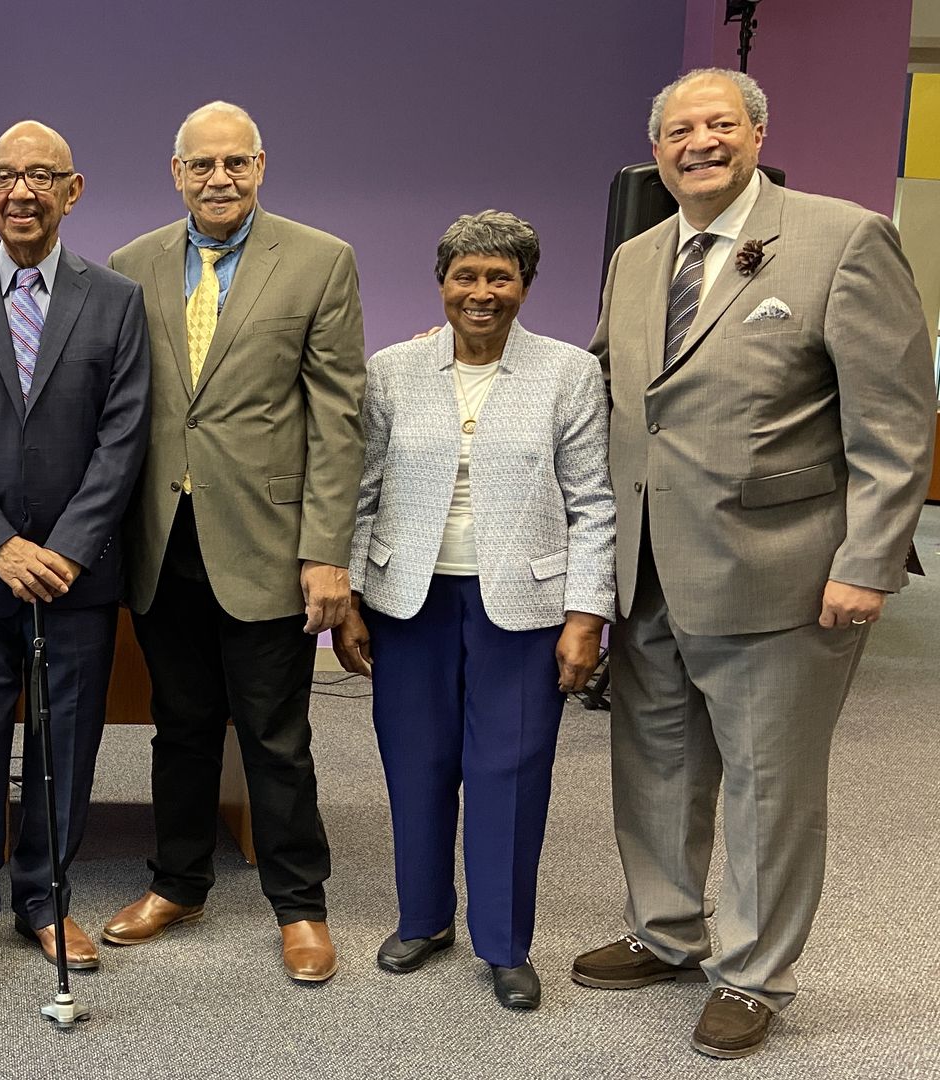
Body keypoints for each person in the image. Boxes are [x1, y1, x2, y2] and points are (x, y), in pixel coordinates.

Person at [575, 68, 935, 1059]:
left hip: (782, 574)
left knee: (771, 786)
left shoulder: (843, 238)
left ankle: (755, 974)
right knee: (654, 765)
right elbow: (604, 388)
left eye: (719, 125)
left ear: (757, 133)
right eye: (680, 130)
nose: (699, 143)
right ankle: (666, 930)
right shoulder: (640, 257)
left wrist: (868, 560)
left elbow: (895, 427)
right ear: (657, 151)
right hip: (650, 569)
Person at [103, 101, 366, 983]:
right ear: (175, 172)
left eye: (236, 163)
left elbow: (338, 418)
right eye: (202, 165)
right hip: (162, 539)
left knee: (274, 734)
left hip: (269, 541)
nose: (220, 179)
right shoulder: (130, 264)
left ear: (262, 166)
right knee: (178, 726)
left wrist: (327, 550)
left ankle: (301, 905)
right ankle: (178, 883)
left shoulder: (320, 260)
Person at [331, 211, 615, 1010]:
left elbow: (593, 501)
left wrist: (587, 613)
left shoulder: (566, 373)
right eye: (466, 276)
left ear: (525, 286)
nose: (482, 293)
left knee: (509, 771)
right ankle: (423, 919)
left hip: (522, 606)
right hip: (406, 600)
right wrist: (349, 594)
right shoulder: (393, 369)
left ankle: (503, 941)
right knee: (416, 763)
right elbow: (361, 490)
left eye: (500, 277)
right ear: (442, 282)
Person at [0, 121, 151, 984]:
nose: (23, 191)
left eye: (42, 176)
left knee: (67, 743)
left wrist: (69, 548)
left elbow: (124, 438)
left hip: (77, 575)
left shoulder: (116, 300)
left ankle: (45, 901)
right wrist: (1, 545)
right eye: (7, 175)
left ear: (72, 191)